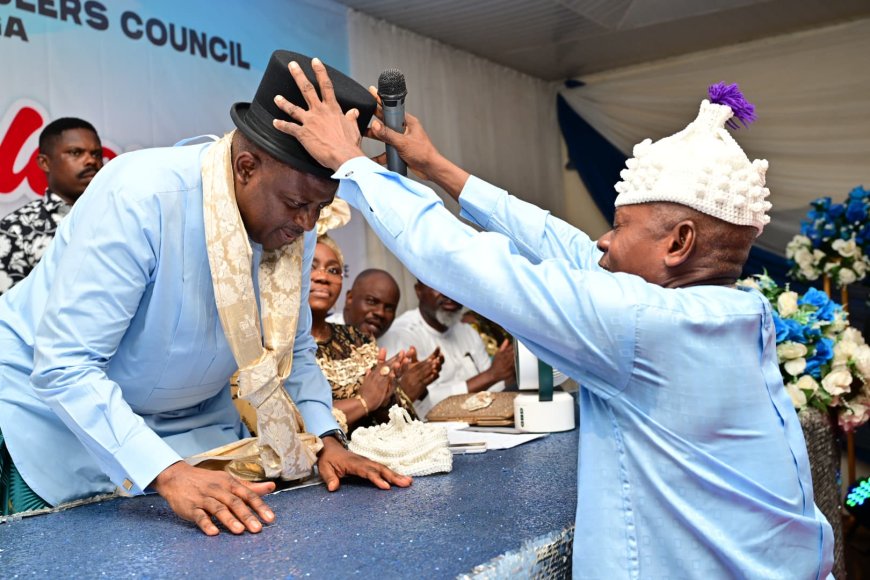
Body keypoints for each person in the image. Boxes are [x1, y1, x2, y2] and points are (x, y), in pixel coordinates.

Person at [273, 62, 834, 578]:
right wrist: (434, 165)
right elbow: (560, 243)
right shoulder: (735, 309)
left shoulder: (643, 323)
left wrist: (348, 163)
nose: (603, 240)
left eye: (620, 225)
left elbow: (461, 260)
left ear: (679, 242)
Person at [0, 51, 410, 534]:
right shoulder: (139, 197)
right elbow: (65, 365)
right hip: (62, 420)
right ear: (245, 166)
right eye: (298, 204)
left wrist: (328, 440)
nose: (306, 225)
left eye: (321, 208)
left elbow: (294, 350)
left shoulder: (295, 223)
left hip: (195, 430)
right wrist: (168, 474)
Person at [309, 221, 430, 432]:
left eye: (333, 270)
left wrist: (388, 392)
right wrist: (364, 401)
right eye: (310, 266)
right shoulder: (274, 345)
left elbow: (401, 422)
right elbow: (294, 424)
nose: (323, 277)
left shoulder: (357, 339)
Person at [378, 279, 515, 416]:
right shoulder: (401, 334)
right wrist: (490, 376)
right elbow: (419, 402)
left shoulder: (468, 331)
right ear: (419, 290)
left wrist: (506, 371)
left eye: (456, 287)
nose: (449, 294)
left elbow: (497, 386)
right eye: (438, 285)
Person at [0, 117, 103, 294]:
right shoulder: (17, 227)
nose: (91, 161)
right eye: (76, 152)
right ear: (44, 162)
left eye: (96, 154)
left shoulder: (116, 216)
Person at [340, 268, 400, 339]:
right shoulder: (324, 338)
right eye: (371, 301)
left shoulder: (402, 346)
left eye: (389, 308)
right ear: (350, 298)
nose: (380, 313)